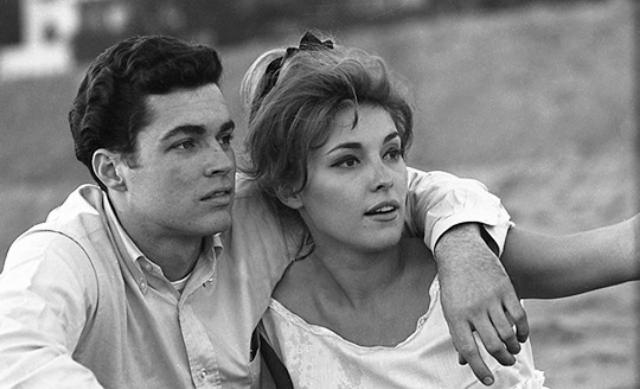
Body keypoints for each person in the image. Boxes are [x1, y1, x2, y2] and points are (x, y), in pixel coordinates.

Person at [0, 35, 522, 388]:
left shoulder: (252, 211)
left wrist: (462, 249)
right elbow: (17, 361)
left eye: (223, 137)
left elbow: (408, 188)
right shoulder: (60, 256)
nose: (220, 164)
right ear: (112, 170)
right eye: (185, 145)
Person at [240, 33, 639, 388]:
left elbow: (623, 248)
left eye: (392, 152)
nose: (385, 179)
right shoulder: (270, 321)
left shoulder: (478, 265)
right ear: (289, 186)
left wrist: (463, 245)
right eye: (348, 161)